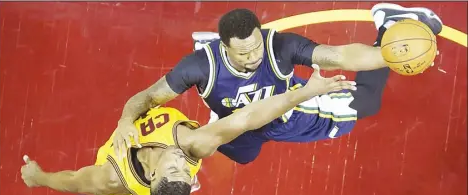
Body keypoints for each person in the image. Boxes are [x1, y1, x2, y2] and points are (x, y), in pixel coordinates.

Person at [20, 65, 357, 195]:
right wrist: (304, 92)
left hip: (127, 194)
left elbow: (71, 181)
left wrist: (38, 178)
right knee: (234, 123)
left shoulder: (108, 179)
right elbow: (247, 118)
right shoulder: (193, 147)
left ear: (154, 173)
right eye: (185, 170)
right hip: (140, 173)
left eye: (175, 169)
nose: (182, 162)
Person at [111, 3, 443, 165]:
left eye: (256, 45)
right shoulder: (199, 67)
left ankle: (391, 24)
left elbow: (341, 56)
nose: (254, 55)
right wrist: (126, 119)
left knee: (368, 103)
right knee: (241, 156)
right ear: (223, 47)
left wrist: (392, 55)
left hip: (288, 111)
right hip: (238, 124)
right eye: (243, 52)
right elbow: (148, 97)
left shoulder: (280, 46)